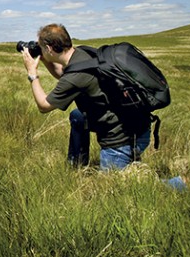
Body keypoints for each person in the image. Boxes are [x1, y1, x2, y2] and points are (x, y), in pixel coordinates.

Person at [21, 23, 152, 171]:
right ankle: (77, 165)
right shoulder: (81, 54)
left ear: (49, 49)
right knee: (78, 115)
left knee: (114, 188)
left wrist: (32, 73)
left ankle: (180, 182)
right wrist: (46, 60)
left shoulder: (76, 76)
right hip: (137, 123)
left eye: (42, 47)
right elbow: (65, 76)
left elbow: (44, 106)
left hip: (122, 138)